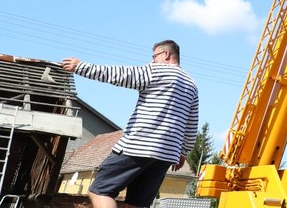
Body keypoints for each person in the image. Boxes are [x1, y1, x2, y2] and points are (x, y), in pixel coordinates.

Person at [61, 40, 199, 208]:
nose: (152, 61)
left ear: (166, 54)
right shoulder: (191, 84)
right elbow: (192, 123)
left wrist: (81, 66)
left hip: (140, 144)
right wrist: (183, 151)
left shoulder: (156, 71)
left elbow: (119, 74)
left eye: (154, 56)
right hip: (166, 154)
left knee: (99, 191)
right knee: (136, 204)